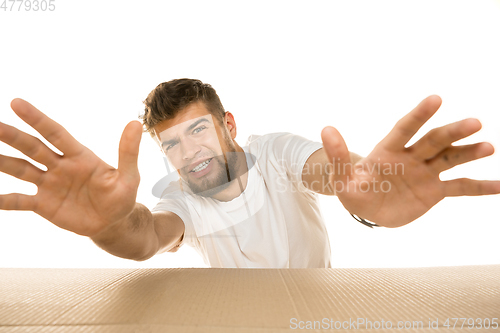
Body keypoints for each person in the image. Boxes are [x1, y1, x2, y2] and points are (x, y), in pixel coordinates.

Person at [0, 78, 498, 268]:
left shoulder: (275, 152)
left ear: (228, 125)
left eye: (197, 131)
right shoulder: (181, 197)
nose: (188, 152)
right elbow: (148, 234)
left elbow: (323, 172)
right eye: (171, 143)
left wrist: (361, 189)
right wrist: (107, 225)